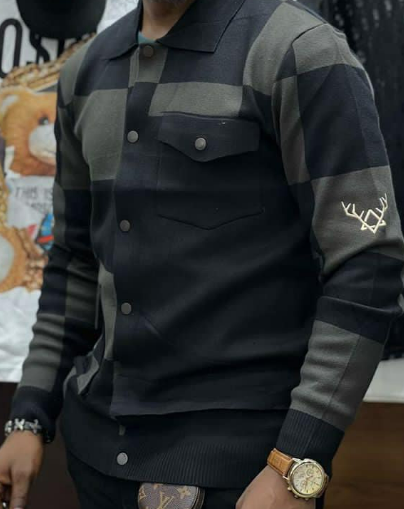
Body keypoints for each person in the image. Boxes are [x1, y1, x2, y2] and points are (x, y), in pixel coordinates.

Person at [1, 0, 404, 508]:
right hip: (96, 459)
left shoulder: (298, 51)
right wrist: (29, 414)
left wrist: (297, 460)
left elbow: (369, 263)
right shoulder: (87, 71)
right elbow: (74, 262)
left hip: (244, 472)